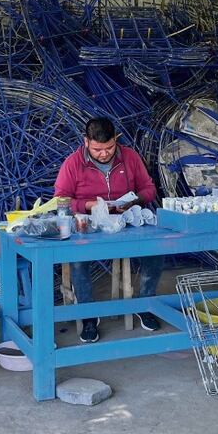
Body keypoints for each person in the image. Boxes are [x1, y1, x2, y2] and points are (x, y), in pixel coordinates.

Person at [54, 117, 163, 343]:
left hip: (125, 220)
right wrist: (88, 205)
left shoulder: (130, 157)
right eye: (97, 149)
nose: (104, 154)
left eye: (109, 148)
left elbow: (149, 189)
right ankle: (88, 316)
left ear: (116, 140)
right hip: (88, 224)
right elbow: (60, 199)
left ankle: (144, 305)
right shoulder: (73, 163)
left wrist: (134, 201)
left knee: (155, 250)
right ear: (86, 142)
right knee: (78, 258)